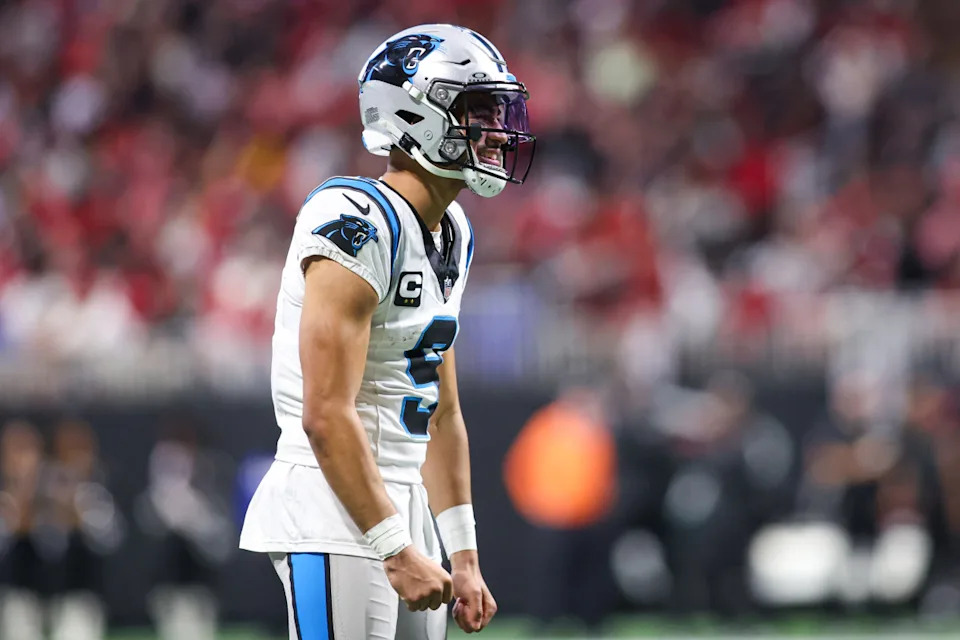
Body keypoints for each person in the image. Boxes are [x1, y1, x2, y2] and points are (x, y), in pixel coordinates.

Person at [239, 23, 535, 638]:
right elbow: (324, 412)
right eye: (475, 111)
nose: (496, 130)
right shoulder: (354, 219)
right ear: (414, 114)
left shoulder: (450, 230)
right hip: (333, 501)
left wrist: (464, 554)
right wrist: (393, 546)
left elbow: (441, 408)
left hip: (406, 499)